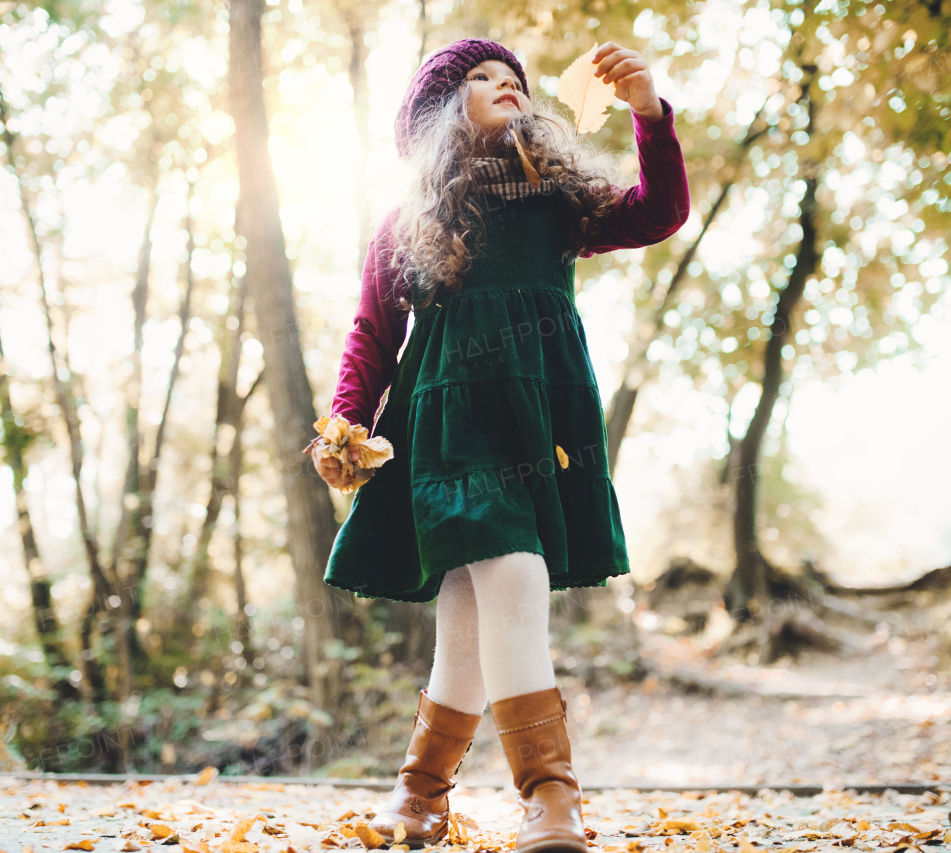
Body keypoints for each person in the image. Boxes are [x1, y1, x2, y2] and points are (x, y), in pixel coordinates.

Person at [313, 37, 690, 853]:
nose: (504, 85)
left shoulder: (556, 199)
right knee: (511, 578)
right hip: (443, 423)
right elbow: (372, 332)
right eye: (481, 80)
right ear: (445, 117)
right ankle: (551, 800)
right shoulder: (409, 221)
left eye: (513, 78)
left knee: (467, 617)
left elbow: (660, 213)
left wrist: (649, 114)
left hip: (535, 420)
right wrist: (346, 420)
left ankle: (419, 797)